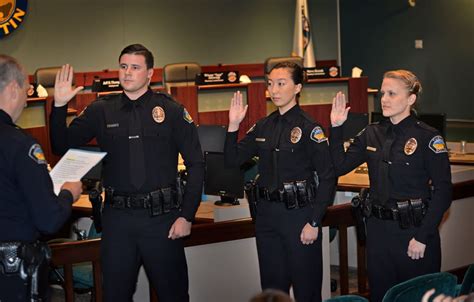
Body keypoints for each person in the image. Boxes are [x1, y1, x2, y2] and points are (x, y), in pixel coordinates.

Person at [49, 44, 205, 301]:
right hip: (118, 220)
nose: (127, 73)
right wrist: (59, 105)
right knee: (115, 295)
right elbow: (59, 143)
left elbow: (196, 164)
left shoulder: (171, 110)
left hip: (162, 219)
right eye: (123, 66)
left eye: (135, 67)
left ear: (150, 73)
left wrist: (187, 215)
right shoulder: (101, 109)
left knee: (174, 295)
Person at [329, 70, 452, 302]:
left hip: (413, 233)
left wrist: (423, 237)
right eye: (382, 93)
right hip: (378, 234)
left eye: (392, 93)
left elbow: (443, 192)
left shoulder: (428, 137)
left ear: (411, 99)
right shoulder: (371, 133)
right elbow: (337, 167)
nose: (383, 99)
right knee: (381, 297)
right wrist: (336, 128)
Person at [225, 61, 336, 302]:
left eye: (281, 83)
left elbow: (327, 177)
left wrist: (315, 222)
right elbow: (232, 160)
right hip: (267, 218)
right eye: (270, 84)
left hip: (299, 217)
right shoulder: (264, 125)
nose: (274, 90)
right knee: (272, 292)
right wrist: (233, 125)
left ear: (297, 87)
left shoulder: (309, 128)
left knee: (307, 291)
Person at [0, 55, 82, 301]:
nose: (26, 100)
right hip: (12, 276)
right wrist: (68, 193)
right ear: (14, 88)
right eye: (26, 91)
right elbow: (48, 219)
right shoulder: (20, 146)